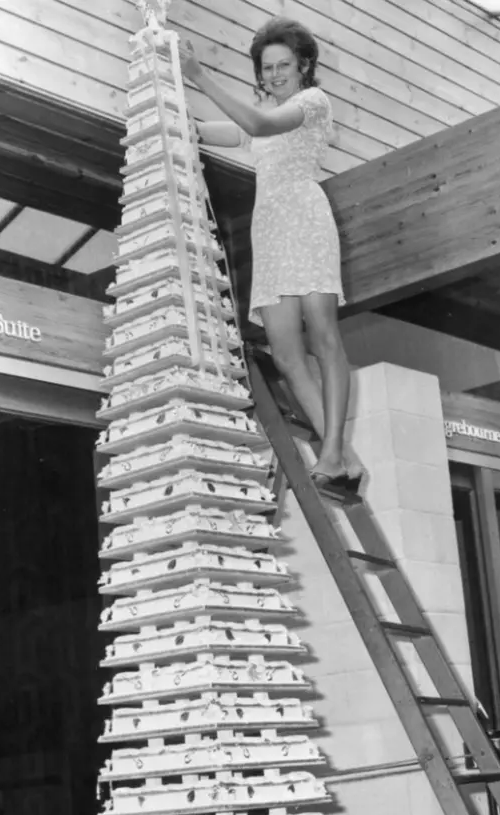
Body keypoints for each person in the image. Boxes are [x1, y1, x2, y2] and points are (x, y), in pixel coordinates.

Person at [179, 17, 362, 494]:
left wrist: (199, 75)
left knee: (322, 337)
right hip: (272, 230)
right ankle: (342, 455)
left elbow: (257, 123)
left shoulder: (312, 103)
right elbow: (231, 130)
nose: (276, 74)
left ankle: (333, 451)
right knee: (285, 353)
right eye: (267, 68)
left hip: (305, 220)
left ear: (303, 66)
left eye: (284, 65)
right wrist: (177, 111)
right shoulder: (264, 113)